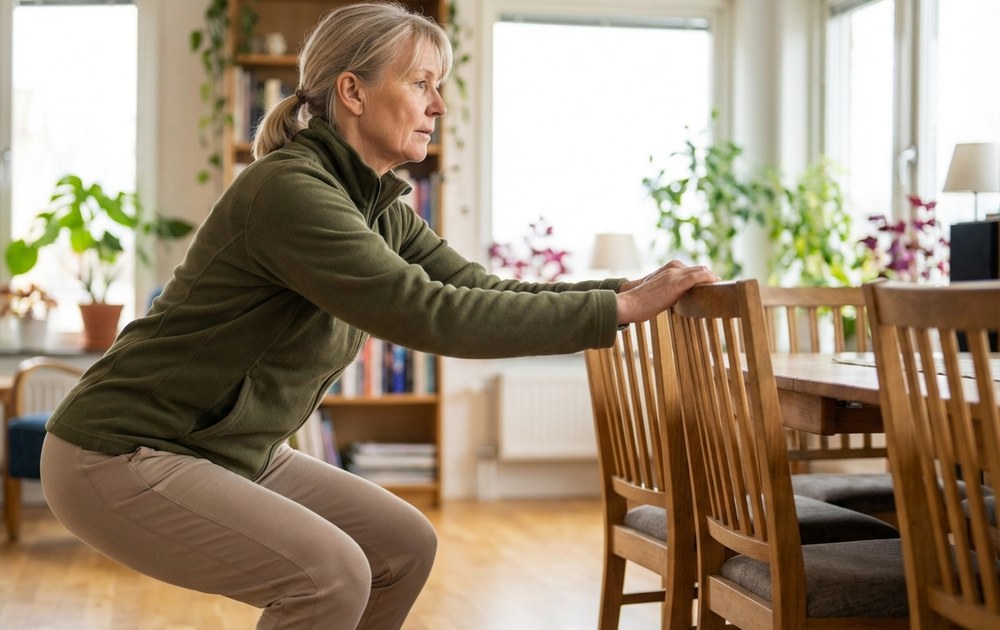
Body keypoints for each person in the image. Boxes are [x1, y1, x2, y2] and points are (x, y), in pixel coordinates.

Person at [40, 3, 718, 629]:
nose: (439, 105)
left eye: (438, 87)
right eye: (421, 84)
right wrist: (617, 308)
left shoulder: (376, 207)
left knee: (403, 544)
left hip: (227, 449)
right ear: (353, 92)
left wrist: (623, 291)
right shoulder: (290, 191)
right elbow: (433, 313)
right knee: (329, 576)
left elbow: (475, 287)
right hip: (123, 450)